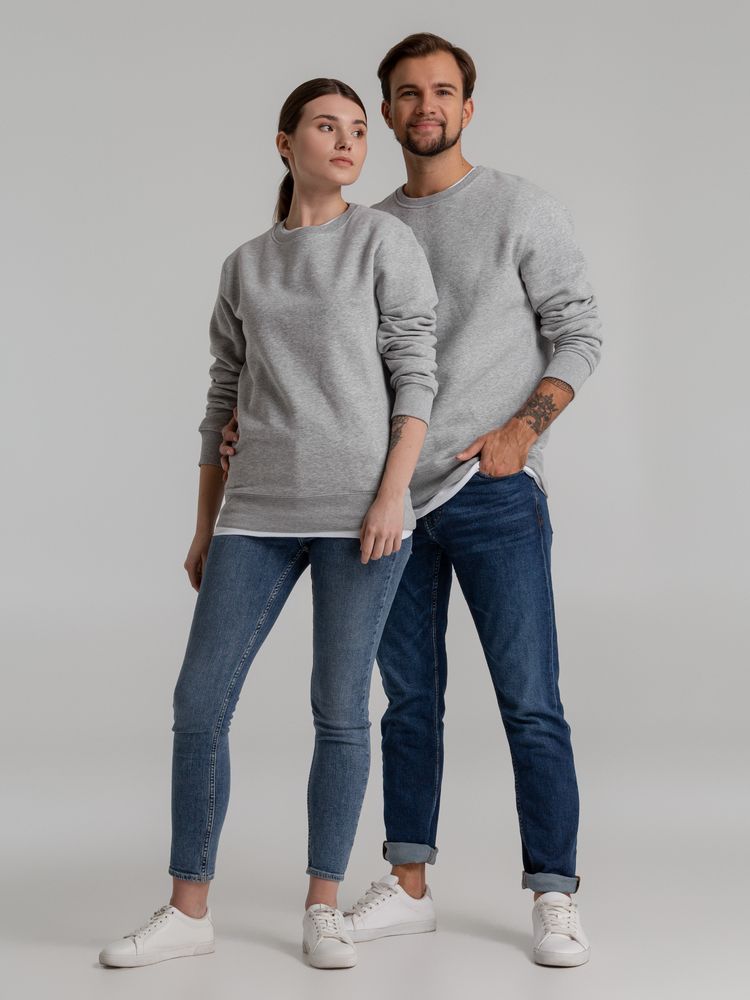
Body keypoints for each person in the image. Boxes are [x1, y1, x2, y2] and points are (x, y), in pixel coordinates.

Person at [220, 33, 602, 967]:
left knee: (530, 699)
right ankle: (410, 881)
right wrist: (248, 425)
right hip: (385, 502)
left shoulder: (519, 208)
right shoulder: (367, 227)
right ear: (386, 112)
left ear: (468, 108)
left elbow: (580, 332)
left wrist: (523, 431)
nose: (424, 105)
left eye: (441, 91)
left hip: (493, 492)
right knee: (408, 701)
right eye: (405, 93)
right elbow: (319, 359)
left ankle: (553, 892)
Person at [97, 76, 439, 971]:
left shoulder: (383, 240)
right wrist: (205, 525)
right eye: (327, 126)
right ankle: (189, 910)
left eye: (358, 128)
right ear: (285, 144)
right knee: (199, 702)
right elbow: (223, 395)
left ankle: (323, 905)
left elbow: (416, 374)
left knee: (340, 707)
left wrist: (392, 493)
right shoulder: (245, 264)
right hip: (255, 511)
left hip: (361, 514)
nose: (348, 140)